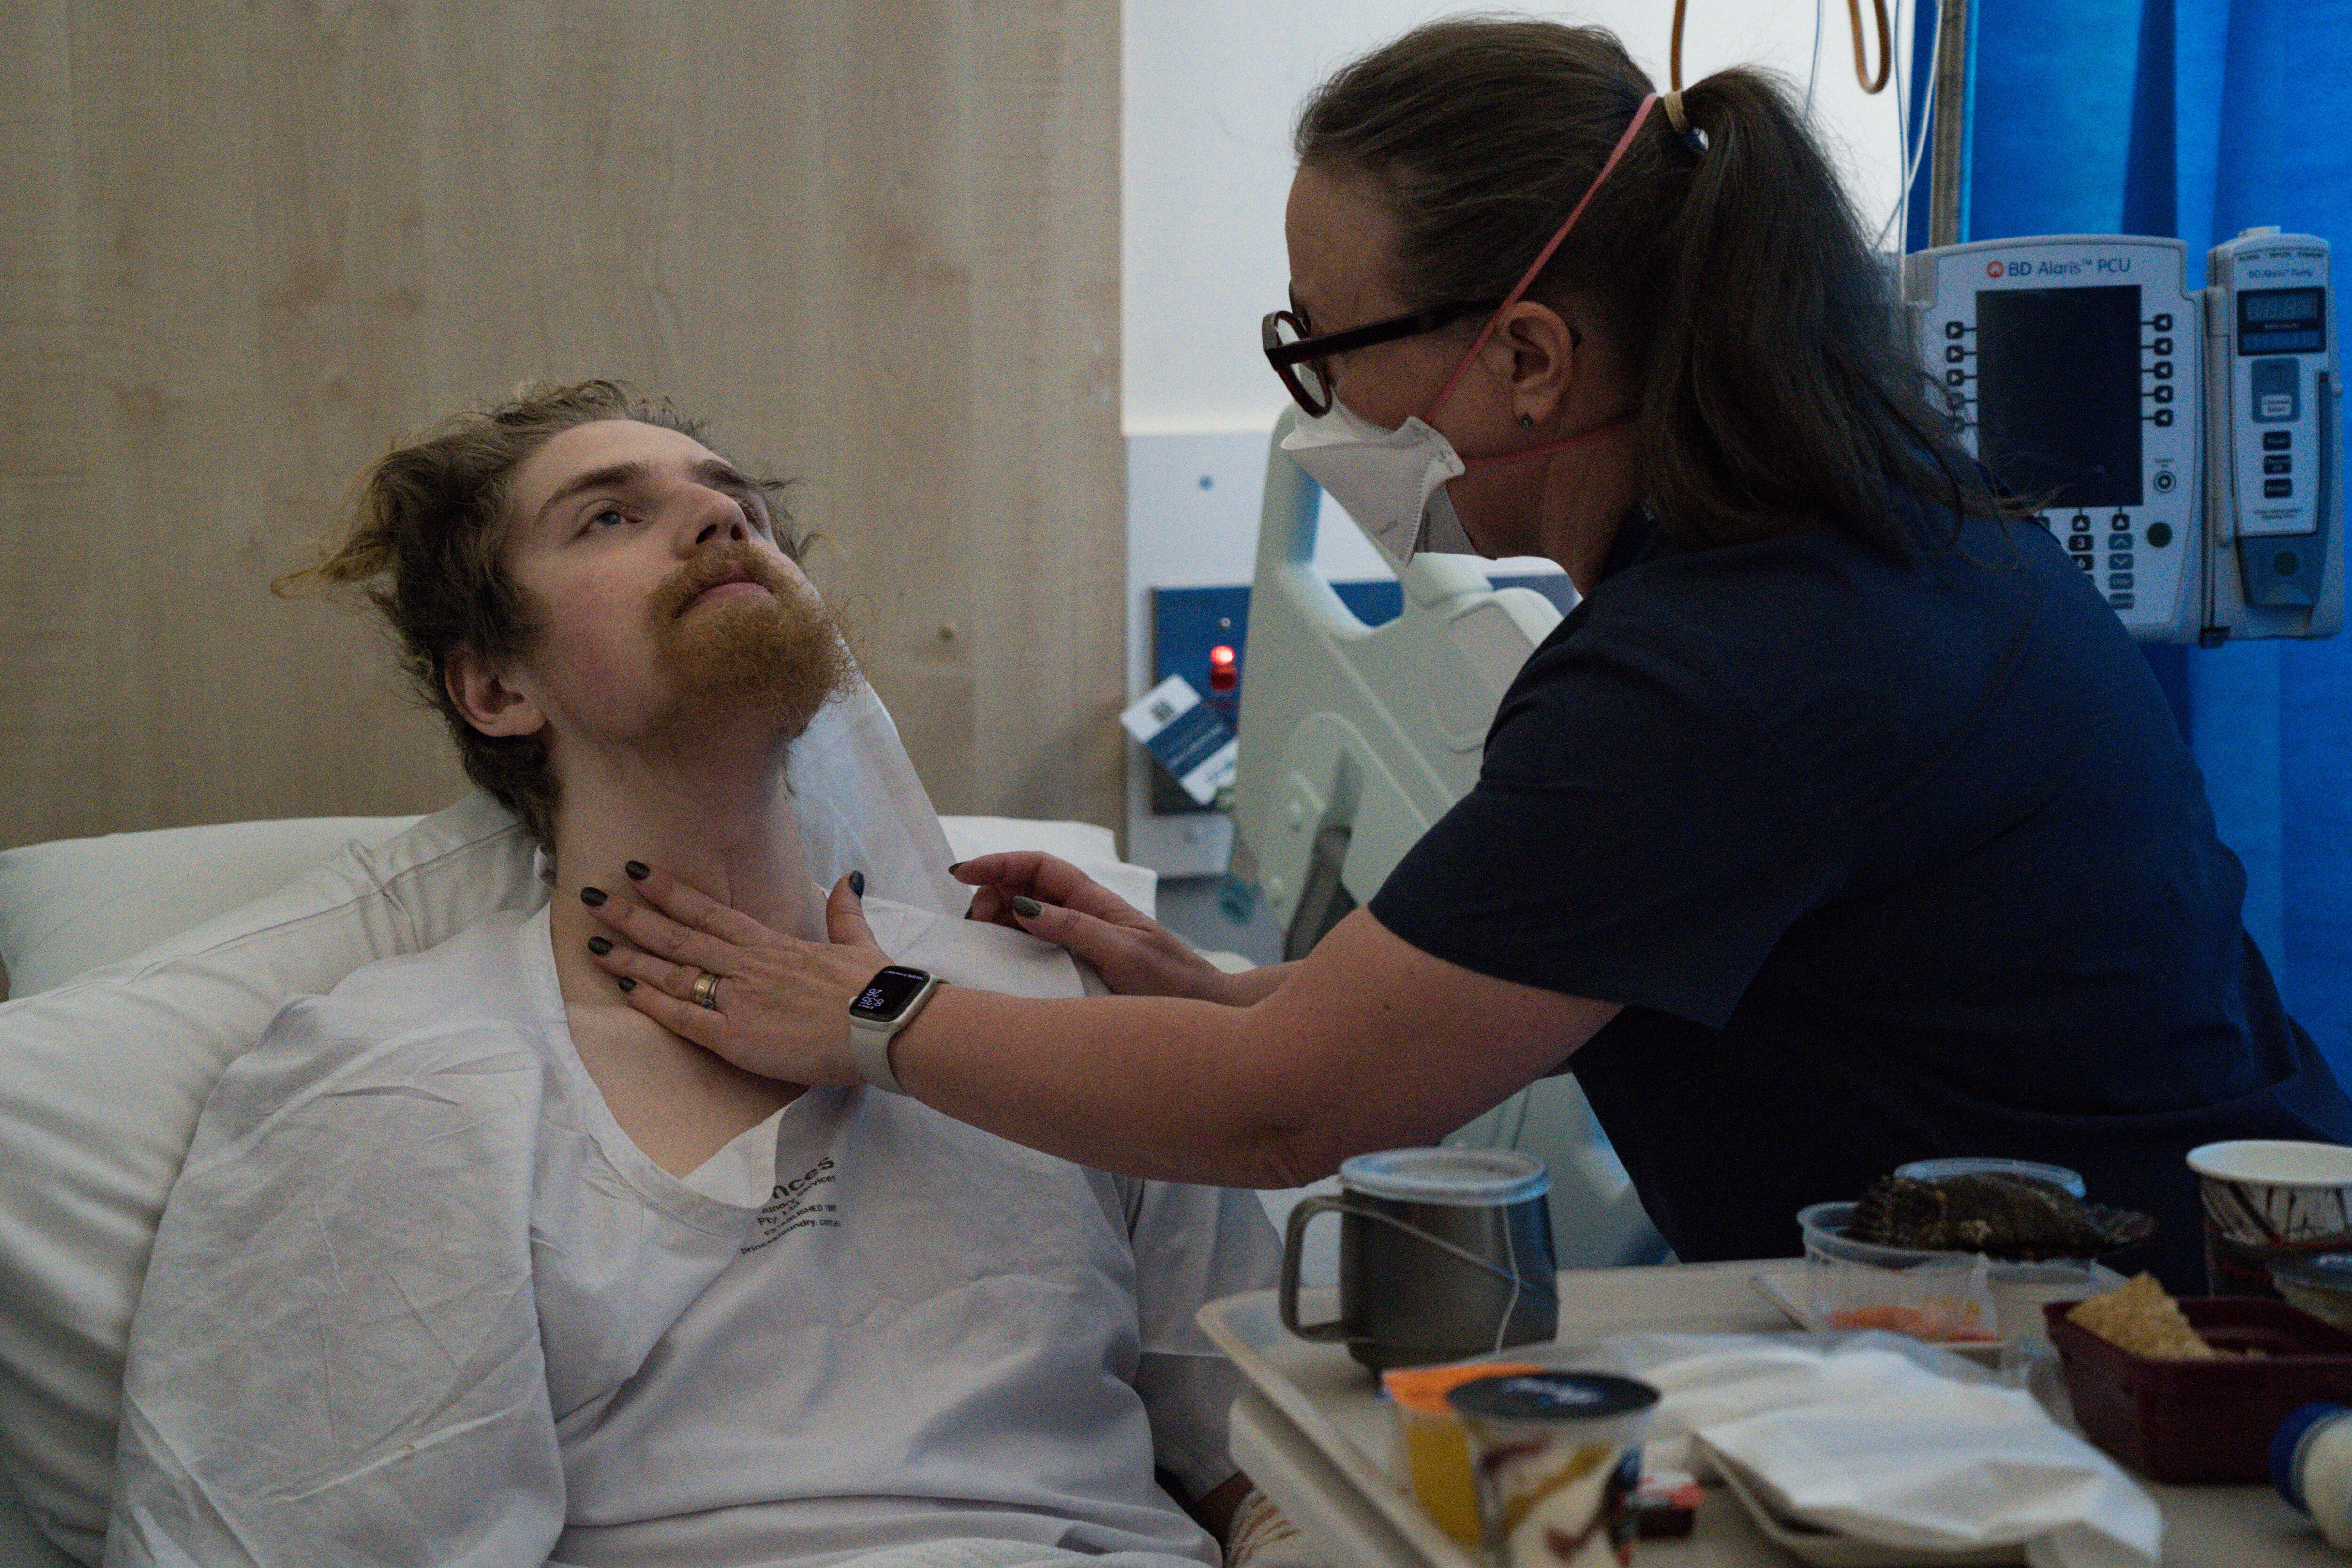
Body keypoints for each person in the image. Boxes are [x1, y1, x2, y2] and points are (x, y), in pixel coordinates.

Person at [571, 20, 2352, 1293]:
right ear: (492, 685)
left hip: (2146, 1358)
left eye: (1323, 344)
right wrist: (1207, 990)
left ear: (1529, 361)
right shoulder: (1875, 543)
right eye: (603, 513)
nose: (1325, 403)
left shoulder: (1726, 670)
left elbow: (1289, 1118)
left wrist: (865, 1012)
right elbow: (1438, 1007)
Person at [106, 381, 1294, 1568]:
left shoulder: (1050, 1000)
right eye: (608, 518)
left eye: (744, 509)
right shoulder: (395, 1077)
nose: (721, 524)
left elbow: (1267, 1451)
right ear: (497, 687)